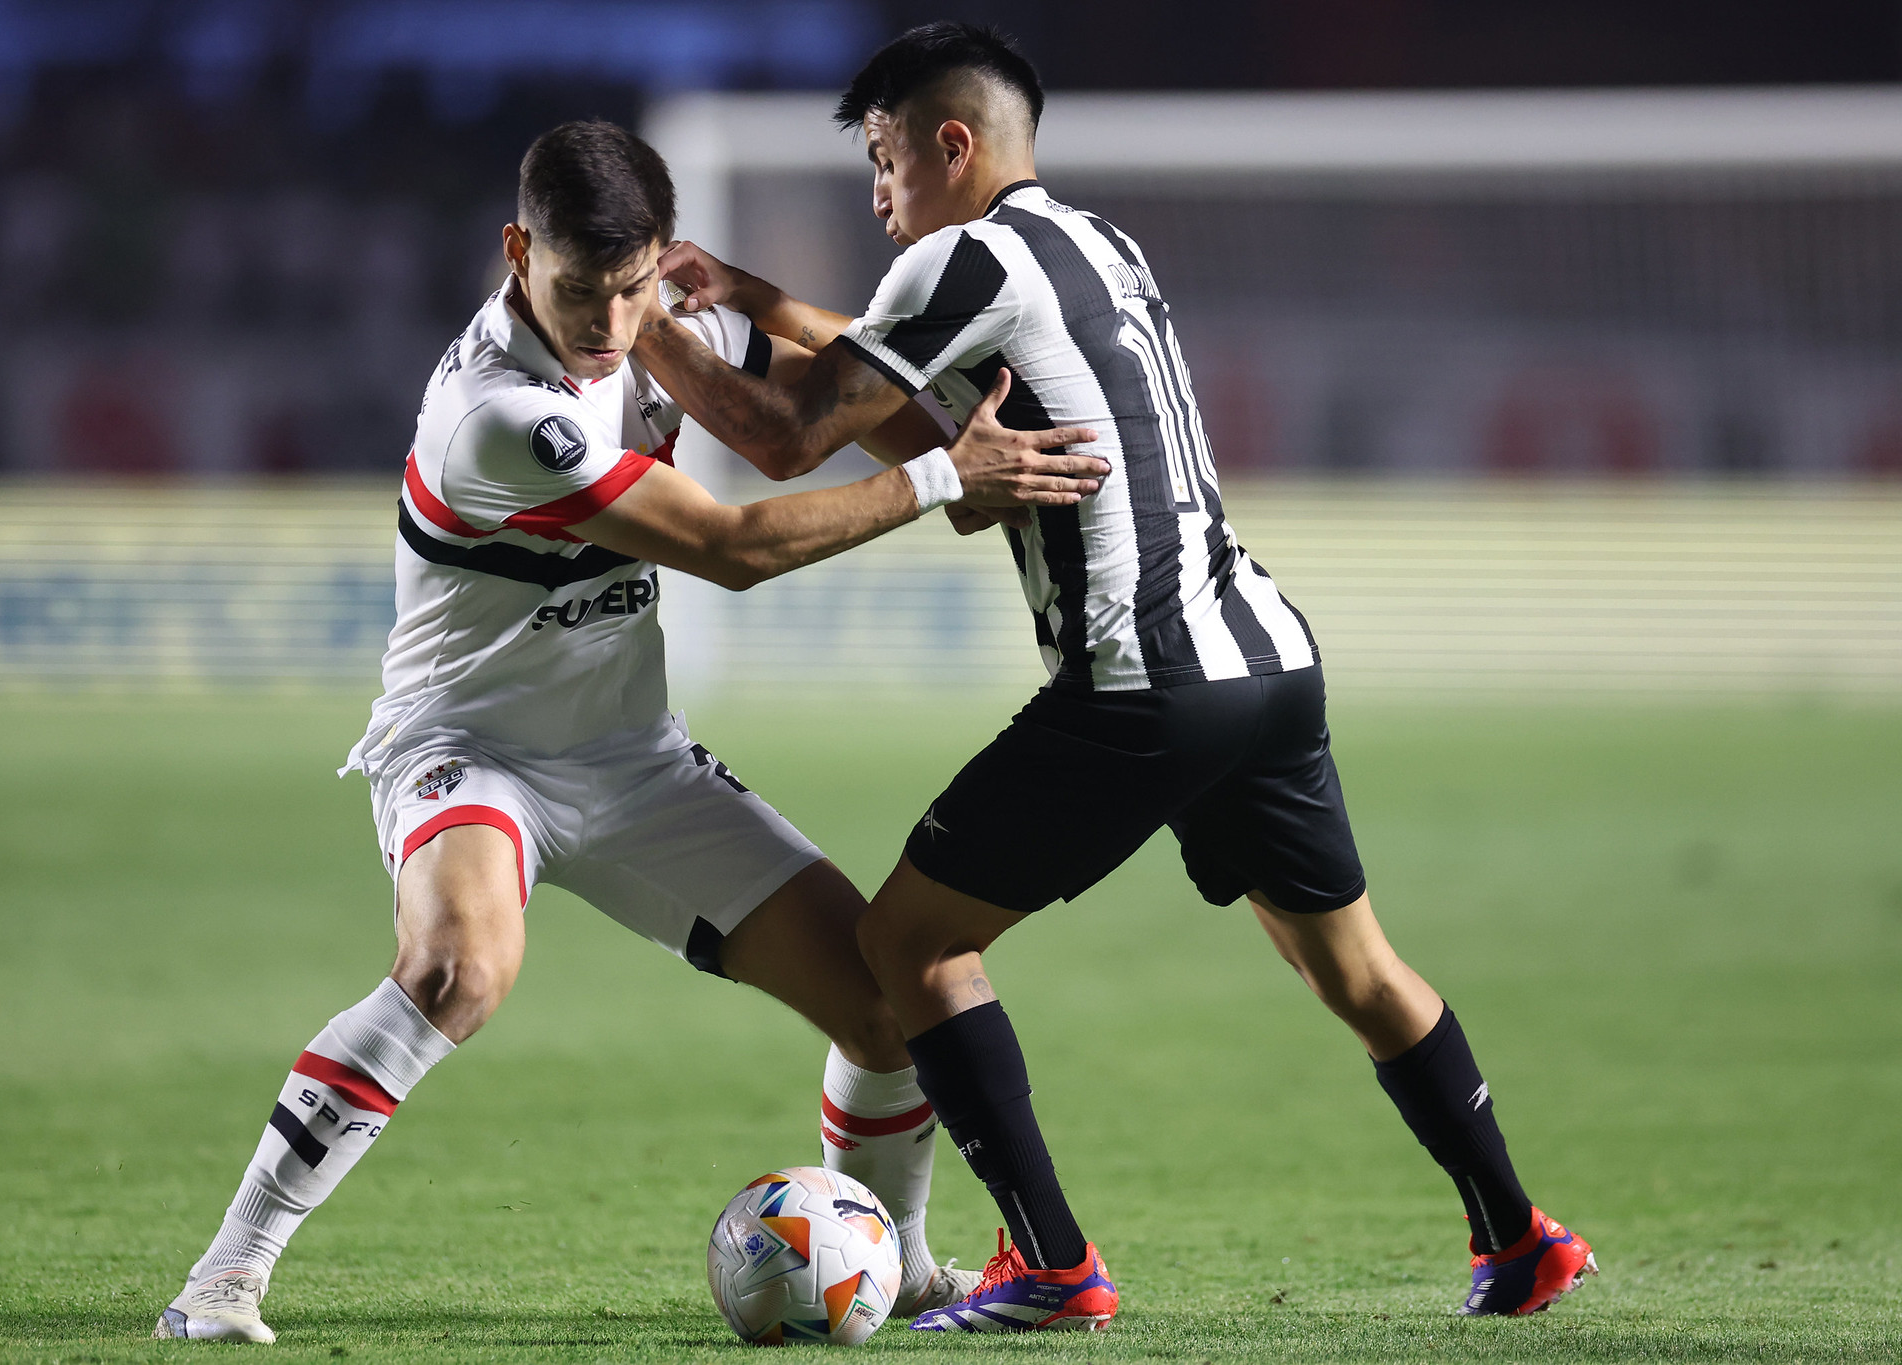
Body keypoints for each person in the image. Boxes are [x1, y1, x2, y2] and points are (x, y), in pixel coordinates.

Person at [635, 23, 1597, 1333]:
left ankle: (1051, 1265)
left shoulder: (955, 258)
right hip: (1266, 655)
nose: (877, 194)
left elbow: (787, 433)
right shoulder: (1099, 245)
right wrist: (748, 299)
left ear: (950, 144)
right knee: (1356, 971)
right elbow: (928, 416)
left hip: (1142, 682)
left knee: (907, 941)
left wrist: (637, 319)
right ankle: (1520, 1235)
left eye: (883, 159)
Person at [154, 119, 1107, 1343]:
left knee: (884, 1004)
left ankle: (898, 1259)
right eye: (578, 290)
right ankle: (224, 1277)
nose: (609, 323)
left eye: (632, 286)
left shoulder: (661, 324)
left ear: (664, 259)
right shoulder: (499, 412)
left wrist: (821, 348)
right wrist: (938, 480)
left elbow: (839, 394)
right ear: (515, 251)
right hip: (468, 749)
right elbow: (732, 549)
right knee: (460, 971)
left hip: (633, 762)